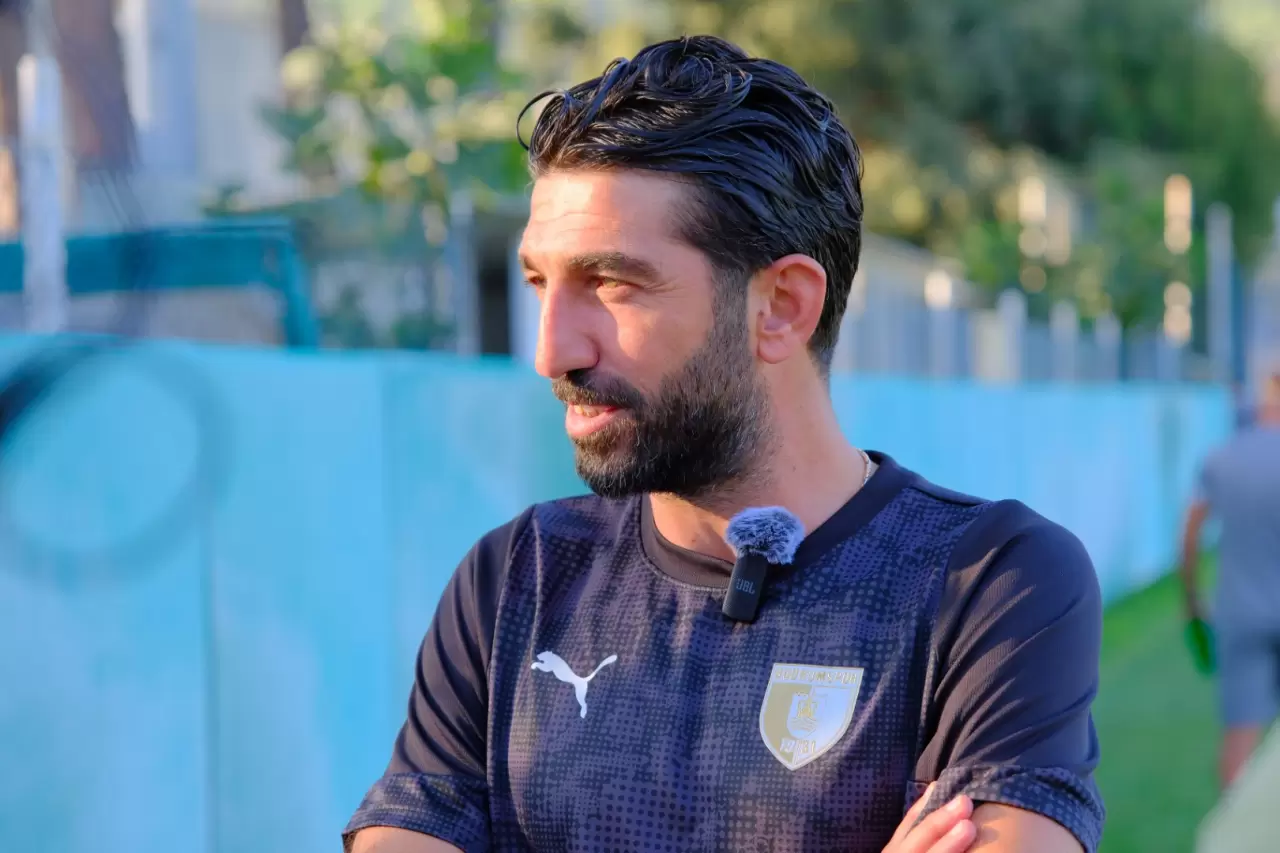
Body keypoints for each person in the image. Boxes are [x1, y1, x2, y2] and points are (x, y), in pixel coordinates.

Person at [345, 36, 1104, 853]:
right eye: (540, 282)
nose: (551, 350)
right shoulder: (514, 580)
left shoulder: (988, 582)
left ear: (781, 305)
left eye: (612, 283)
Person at [1180, 371, 1280, 788]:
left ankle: (1235, 821)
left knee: (1240, 735)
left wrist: (1192, 602)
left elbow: (1191, 534)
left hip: (1239, 613)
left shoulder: (1223, 457)